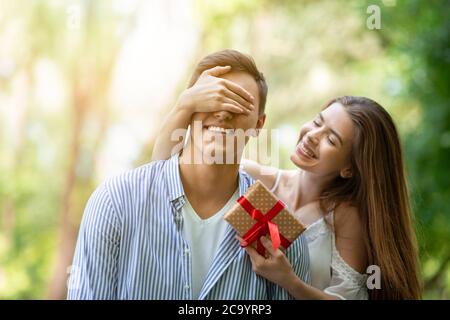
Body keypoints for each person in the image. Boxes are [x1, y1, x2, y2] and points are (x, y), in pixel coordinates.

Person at [67, 49, 310, 300]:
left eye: (239, 103)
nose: (224, 112)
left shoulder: (278, 229)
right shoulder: (116, 201)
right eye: (212, 98)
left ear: (259, 124)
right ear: (190, 107)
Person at [153, 90, 422, 299]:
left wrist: (289, 280)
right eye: (318, 122)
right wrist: (185, 105)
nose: (312, 136)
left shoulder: (343, 216)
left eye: (331, 139)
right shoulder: (254, 180)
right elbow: (166, 170)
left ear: (349, 168)